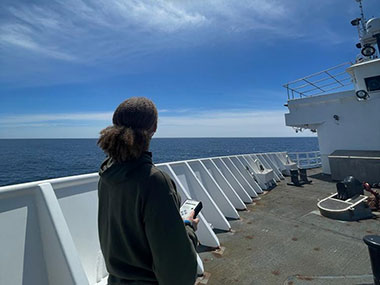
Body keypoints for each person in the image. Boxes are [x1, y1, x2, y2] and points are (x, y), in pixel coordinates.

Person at [97, 97, 199, 285]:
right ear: (154, 128)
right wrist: (189, 227)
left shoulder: (106, 175)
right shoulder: (154, 181)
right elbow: (176, 267)